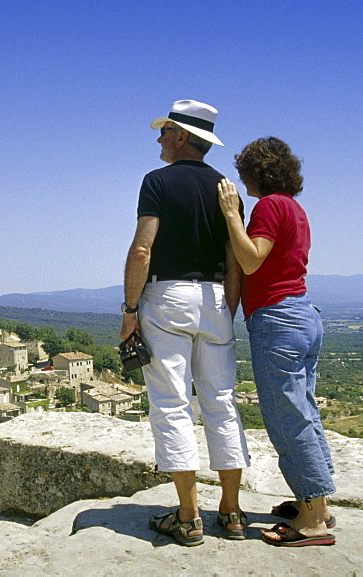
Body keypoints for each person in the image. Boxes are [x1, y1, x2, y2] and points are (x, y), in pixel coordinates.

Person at [121, 99, 250, 546]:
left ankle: (189, 515)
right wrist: (225, 310)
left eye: (163, 132)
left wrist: (129, 310)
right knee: (221, 402)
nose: (157, 139)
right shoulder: (226, 189)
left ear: (180, 136)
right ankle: (231, 513)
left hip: (167, 297)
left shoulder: (156, 181)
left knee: (171, 404)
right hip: (216, 298)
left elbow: (142, 250)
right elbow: (235, 259)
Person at [217, 136, 336, 547]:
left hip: (278, 318)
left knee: (287, 417)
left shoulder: (269, 205)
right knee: (304, 411)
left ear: (255, 172)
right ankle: (317, 503)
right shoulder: (296, 208)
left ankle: (312, 520)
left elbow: (252, 259)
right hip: (303, 313)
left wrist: (233, 215)